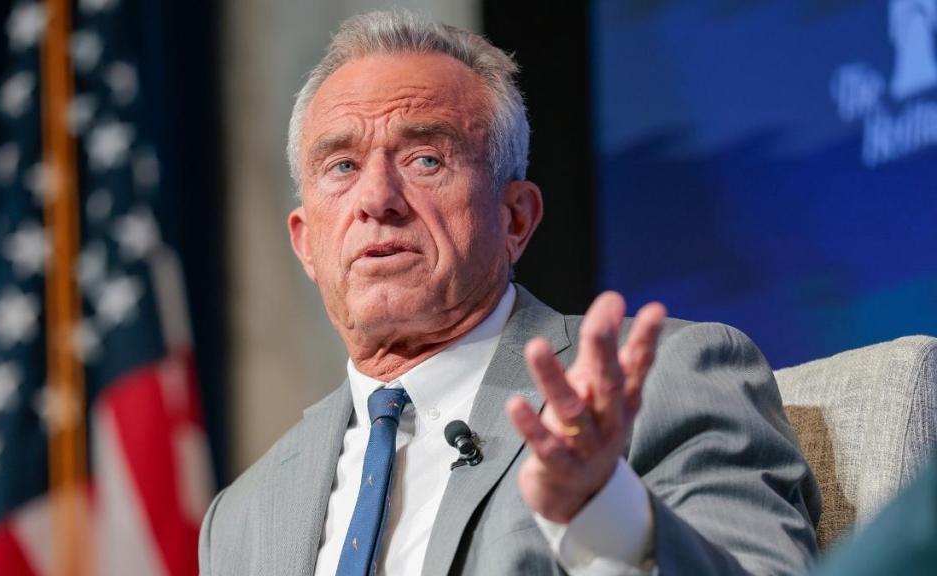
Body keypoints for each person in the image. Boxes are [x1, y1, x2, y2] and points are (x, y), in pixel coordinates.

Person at [199, 10, 820, 576]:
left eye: (425, 159)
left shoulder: (666, 379)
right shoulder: (241, 515)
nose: (377, 199)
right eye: (342, 166)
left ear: (515, 219)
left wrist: (605, 513)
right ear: (306, 243)